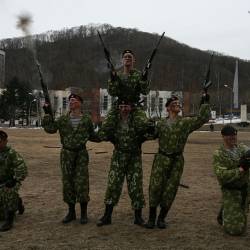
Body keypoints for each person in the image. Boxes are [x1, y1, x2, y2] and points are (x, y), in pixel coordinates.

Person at [146, 94, 210, 229]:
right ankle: (151, 218)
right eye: (174, 103)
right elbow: (149, 135)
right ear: (168, 108)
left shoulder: (185, 123)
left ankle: (161, 218)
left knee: (171, 189)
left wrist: (204, 102)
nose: (177, 105)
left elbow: (203, 118)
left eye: (178, 103)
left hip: (176, 160)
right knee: (155, 187)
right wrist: (148, 127)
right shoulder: (161, 123)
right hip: (161, 159)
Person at [42, 87, 98, 224]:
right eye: (70, 100)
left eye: (74, 99)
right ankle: (71, 212)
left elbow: (93, 136)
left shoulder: (86, 120)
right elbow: (50, 129)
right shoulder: (62, 120)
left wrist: (108, 135)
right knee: (68, 183)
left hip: (81, 154)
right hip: (66, 154)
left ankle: (83, 213)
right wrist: (47, 114)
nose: (72, 101)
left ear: (80, 103)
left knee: (82, 183)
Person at [96, 102, 150, 227]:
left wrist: (150, 129)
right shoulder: (114, 121)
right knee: (113, 185)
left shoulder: (137, 121)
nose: (124, 109)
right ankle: (107, 216)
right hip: (118, 157)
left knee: (136, 186)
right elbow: (104, 135)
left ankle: (138, 217)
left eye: (126, 106)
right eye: (121, 106)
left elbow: (148, 134)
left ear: (131, 107)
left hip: (134, 157)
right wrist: (102, 132)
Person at [213, 125, 250, 236]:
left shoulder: (242, 149)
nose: (233, 138)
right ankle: (225, 212)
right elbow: (222, 175)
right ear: (223, 137)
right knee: (236, 231)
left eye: (234, 135)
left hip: (245, 187)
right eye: (230, 136)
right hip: (231, 190)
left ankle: (227, 208)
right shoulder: (219, 154)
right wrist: (241, 169)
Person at [104, 49, 150, 131]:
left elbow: (145, 91)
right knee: (107, 125)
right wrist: (113, 79)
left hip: (134, 105)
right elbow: (112, 92)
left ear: (134, 60)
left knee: (143, 125)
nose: (127, 58)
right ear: (122, 60)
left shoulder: (139, 75)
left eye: (130, 57)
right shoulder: (117, 75)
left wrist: (144, 79)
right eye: (125, 57)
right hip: (119, 105)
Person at [0, 130, 27, 231]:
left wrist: (14, 179)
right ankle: (18, 203)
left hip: (9, 183)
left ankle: (9, 220)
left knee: (9, 192)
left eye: (0, 141)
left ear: (5, 141)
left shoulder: (11, 154)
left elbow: (22, 168)